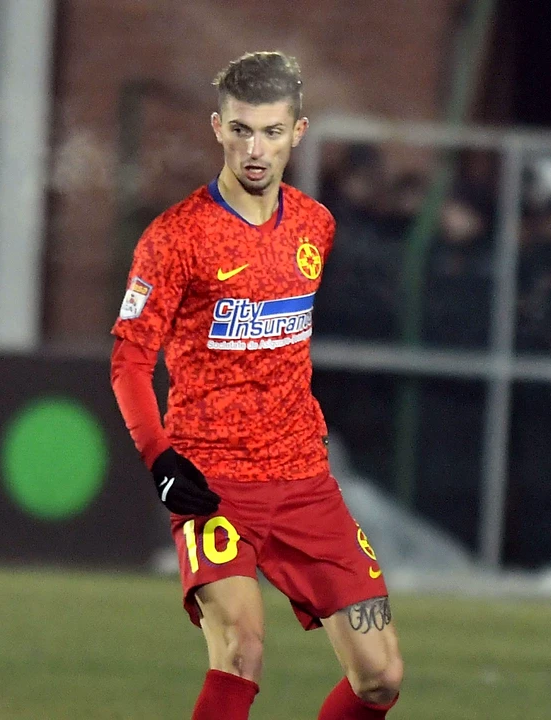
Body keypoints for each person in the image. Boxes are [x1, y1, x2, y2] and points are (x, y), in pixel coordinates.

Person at [109, 52, 404, 720]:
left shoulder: (314, 227)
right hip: (212, 482)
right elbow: (129, 360)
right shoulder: (175, 237)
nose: (254, 148)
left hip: (305, 482)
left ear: (297, 134)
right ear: (217, 127)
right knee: (241, 649)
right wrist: (159, 458)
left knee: (381, 676)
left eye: (271, 131)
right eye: (241, 129)